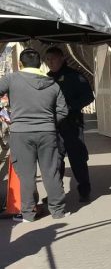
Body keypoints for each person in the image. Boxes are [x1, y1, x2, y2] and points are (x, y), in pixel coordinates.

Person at [0, 48, 69, 222]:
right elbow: (63, 110)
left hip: (21, 134)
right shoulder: (53, 84)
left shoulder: (11, 79)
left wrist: (5, 114)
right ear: (40, 64)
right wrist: (49, 122)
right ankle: (58, 211)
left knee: (26, 175)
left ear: (20, 64)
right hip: (47, 133)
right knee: (51, 172)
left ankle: (29, 214)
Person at [44, 46, 94, 202]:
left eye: (53, 59)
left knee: (77, 159)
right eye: (47, 59)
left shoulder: (74, 76)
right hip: (54, 126)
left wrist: (70, 107)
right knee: (55, 161)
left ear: (62, 59)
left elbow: (88, 97)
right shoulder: (46, 79)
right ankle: (56, 193)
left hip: (72, 124)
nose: (50, 62)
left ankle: (84, 190)